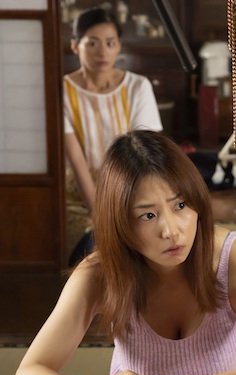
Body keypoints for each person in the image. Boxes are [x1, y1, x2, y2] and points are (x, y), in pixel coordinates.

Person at [14, 130, 236, 375]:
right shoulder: (99, 273)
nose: (171, 231)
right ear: (120, 224)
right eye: (148, 215)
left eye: (180, 205)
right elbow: (29, 372)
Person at [63, 7, 163, 265]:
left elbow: (148, 153)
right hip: (79, 194)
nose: (102, 52)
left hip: (132, 186)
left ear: (119, 46)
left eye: (110, 43)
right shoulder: (62, 90)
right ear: (75, 46)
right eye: (92, 43)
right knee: (90, 253)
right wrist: (101, 214)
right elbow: (76, 159)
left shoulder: (138, 86)